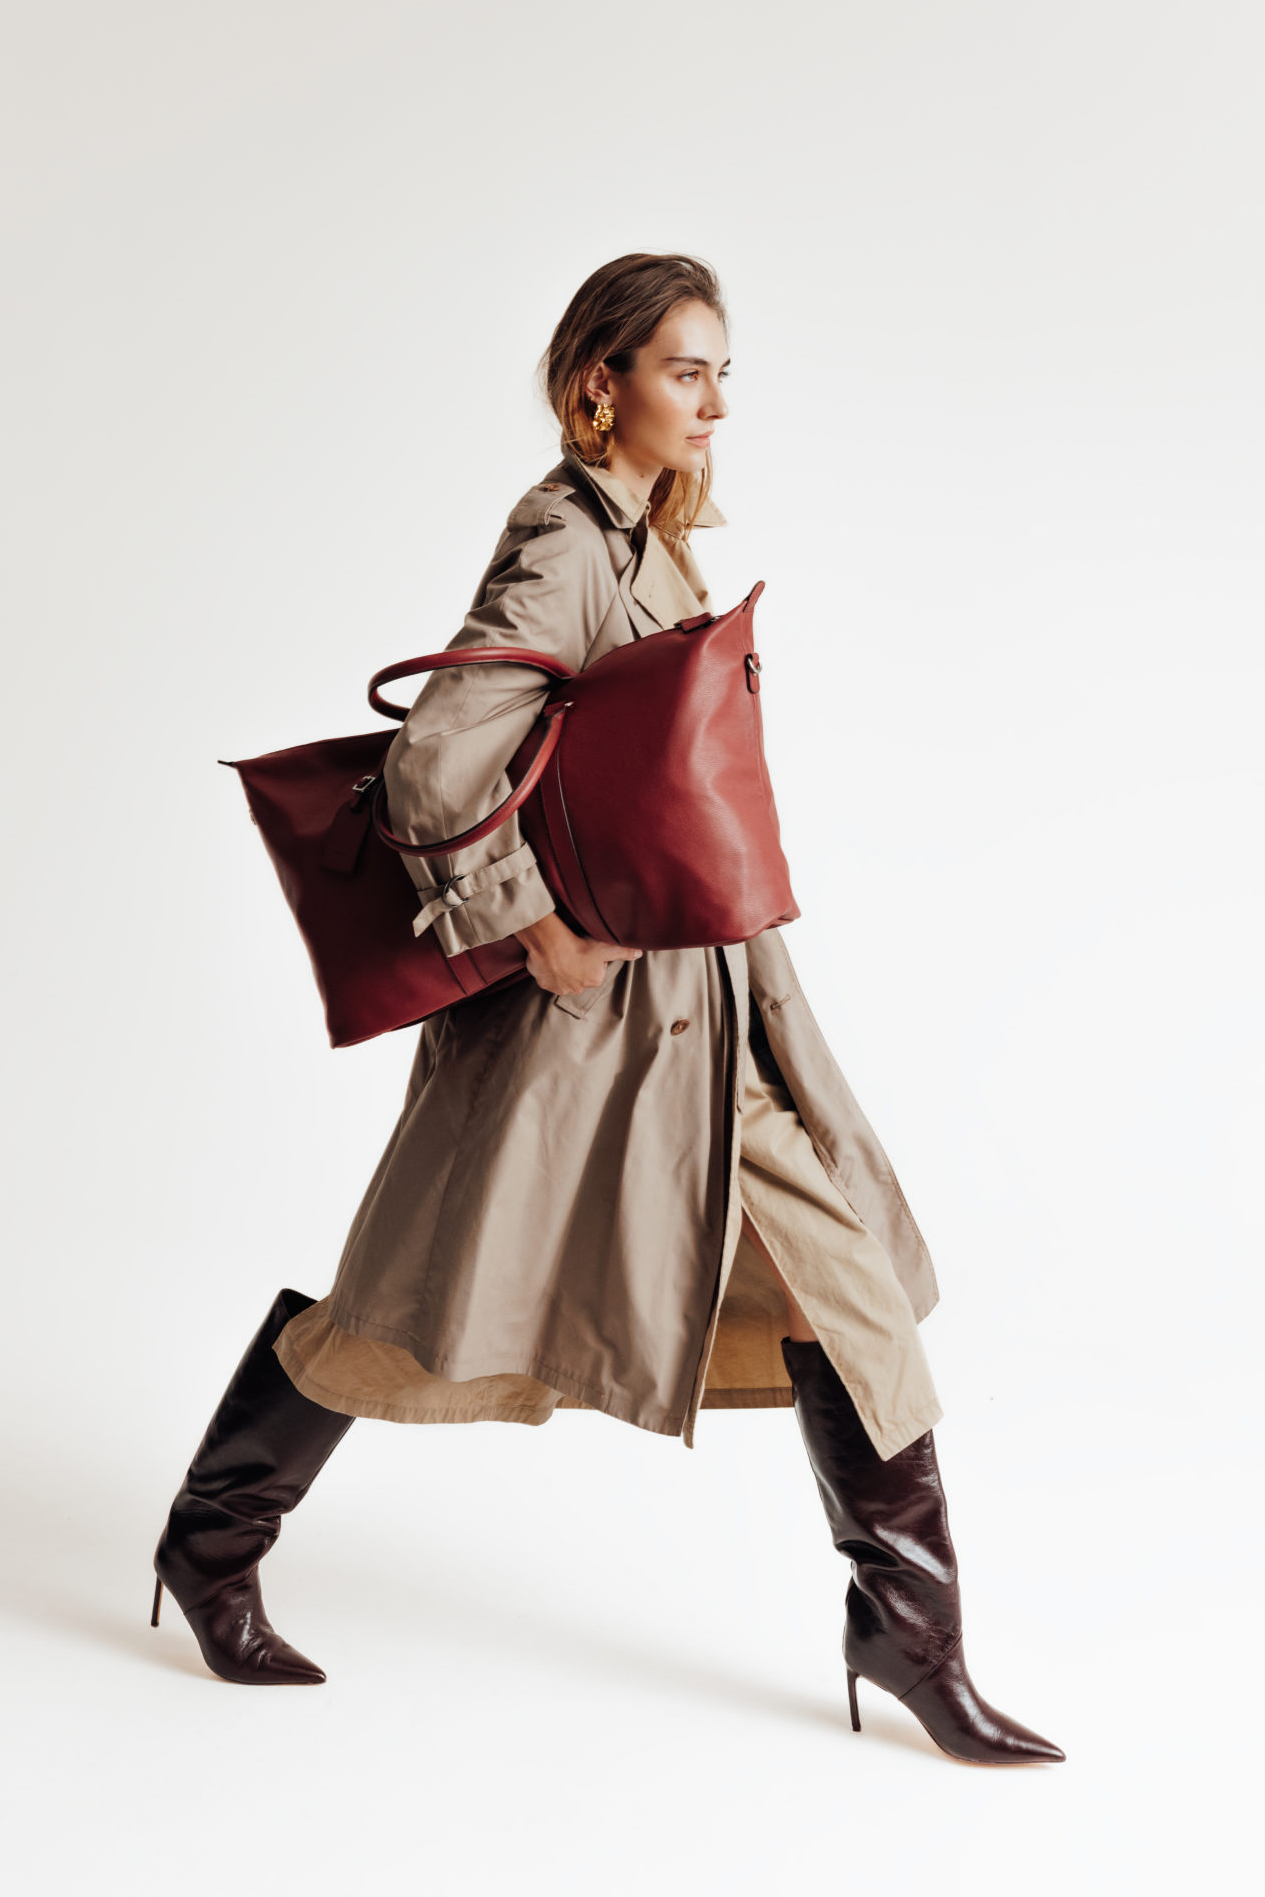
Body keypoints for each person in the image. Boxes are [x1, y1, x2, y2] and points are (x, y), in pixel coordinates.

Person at [151, 253, 1064, 1766]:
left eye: (723, 373)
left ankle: (909, 1639)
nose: (713, 400)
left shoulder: (655, 540)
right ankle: (211, 1541)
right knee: (409, 1315)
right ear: (600, 385)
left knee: (852, 1282)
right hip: (589, 1041)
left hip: (712, 1018)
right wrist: (532, 933)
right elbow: (437, 764)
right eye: (684, 370)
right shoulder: (563, 538)